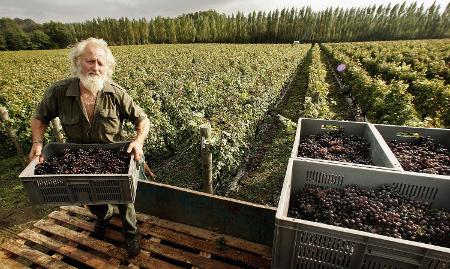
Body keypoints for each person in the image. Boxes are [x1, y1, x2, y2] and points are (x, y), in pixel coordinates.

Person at [28, 37, 150, 258]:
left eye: (100, 63)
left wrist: (138, 141)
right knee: (89, 195)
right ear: (78, 63)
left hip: (114, 157)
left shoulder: (117, 94)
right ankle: (103, 215)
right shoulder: (60, 92)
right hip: (79, 159)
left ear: (107, 67)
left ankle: (131, 233)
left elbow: (142, 119)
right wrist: (37, 143)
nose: (95, 67)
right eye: (90, 61)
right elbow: (39, 117)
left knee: (124, 199)